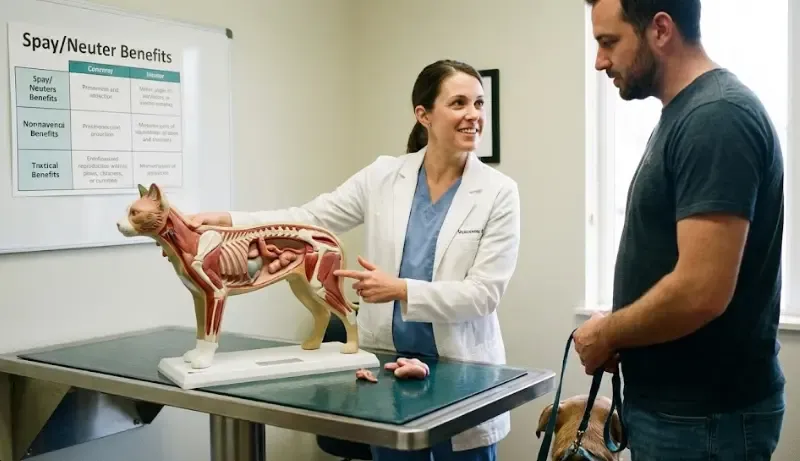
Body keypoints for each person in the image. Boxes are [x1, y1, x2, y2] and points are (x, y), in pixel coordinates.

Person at [187, 59, 520, 461]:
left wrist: (398, 289)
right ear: (424, 114)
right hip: (388, 369)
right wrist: (233, 220)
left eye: (479, 104)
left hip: (460, 372)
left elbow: (484, 294)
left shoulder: (499, 192)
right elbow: (312, 218)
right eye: (459, 103)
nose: (473, 115)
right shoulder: (383, 176)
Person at [573, 0, 786, 459]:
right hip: (682, 415)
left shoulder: (717, 117)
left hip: (704, 422)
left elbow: (701, 290)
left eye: (609, 42)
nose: (599, 61)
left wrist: (610, 333)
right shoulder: (687, 113)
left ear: (661, 30)